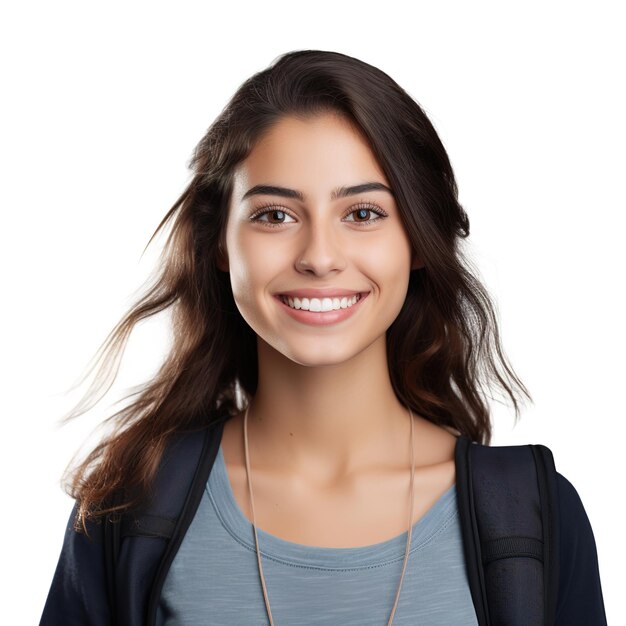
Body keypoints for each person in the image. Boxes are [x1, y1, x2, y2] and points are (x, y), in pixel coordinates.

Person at [40, 49, 606, 625]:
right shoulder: (125, 511)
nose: (318, 257)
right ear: (218, 243)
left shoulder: (535, 520)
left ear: (417, 240)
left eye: (362, 214)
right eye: (275, 215)